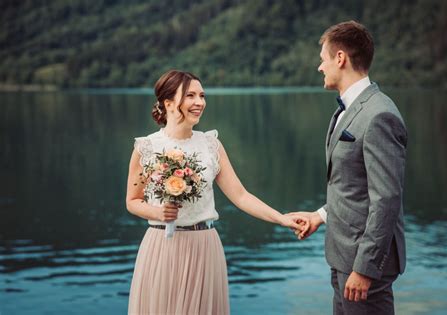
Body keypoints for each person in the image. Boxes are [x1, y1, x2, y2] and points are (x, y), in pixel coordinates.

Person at [126, 70, 307, 314]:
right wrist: (159, 213)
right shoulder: (146, 147)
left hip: (204, 247)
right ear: (168, 103)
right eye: (190, 95)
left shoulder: (211, 144)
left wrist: (282, 219)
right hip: (161, 247)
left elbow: (241, 196)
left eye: (202, 95)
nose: (199, 102)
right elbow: (133, 201)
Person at [288, 21, 408, 314]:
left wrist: (365, 269)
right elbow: (353, 186)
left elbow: (386, 199)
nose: (320, 67)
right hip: (343, 258)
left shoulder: (379, 115)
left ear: (340, 58)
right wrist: (320, 215)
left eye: (323, 59)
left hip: (364, 268)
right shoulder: (347, 110)